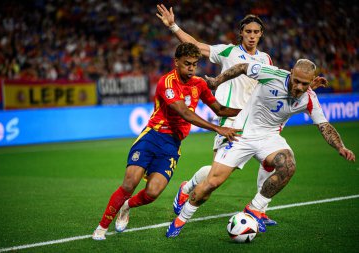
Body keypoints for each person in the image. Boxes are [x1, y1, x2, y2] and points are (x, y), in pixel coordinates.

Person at [165, 59, 356, 237]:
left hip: (269, 137)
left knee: (288, 164)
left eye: (304, 84)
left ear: (312, 82)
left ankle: (255, 208)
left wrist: (340, 147)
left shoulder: (310, 98)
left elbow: (324, 125)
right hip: (242, 133)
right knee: (212, 183)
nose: (299, 87)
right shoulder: (272, 74)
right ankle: (181, 219)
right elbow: (242, 67)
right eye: (296, 81)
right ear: (290, 73)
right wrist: (217, 81)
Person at [92, 42, 242, 240]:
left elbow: (220, 110)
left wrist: (249, 112)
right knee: (129, 184)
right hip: (152, 137)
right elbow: (184, 113)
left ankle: (126, 206)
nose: (191, 68)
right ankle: (101, 229)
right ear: (176, 62)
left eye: (195, 64)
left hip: (172, 144)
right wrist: (217, 128)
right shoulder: (167, 82)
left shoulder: (199, 84)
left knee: (152, 193)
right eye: (187, 63)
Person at [157, 4, 277, 225]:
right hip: (230, 119)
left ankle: (259, 210)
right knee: (217, 173)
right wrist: (173, 26)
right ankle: (188, 187)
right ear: (241, 33)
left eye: (256, 32)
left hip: (256, 122)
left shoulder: (266, 59)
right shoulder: (229, 52)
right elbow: (195, 46)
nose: (251, 36)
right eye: (248, 31)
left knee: (271, 162)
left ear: (261, 34)